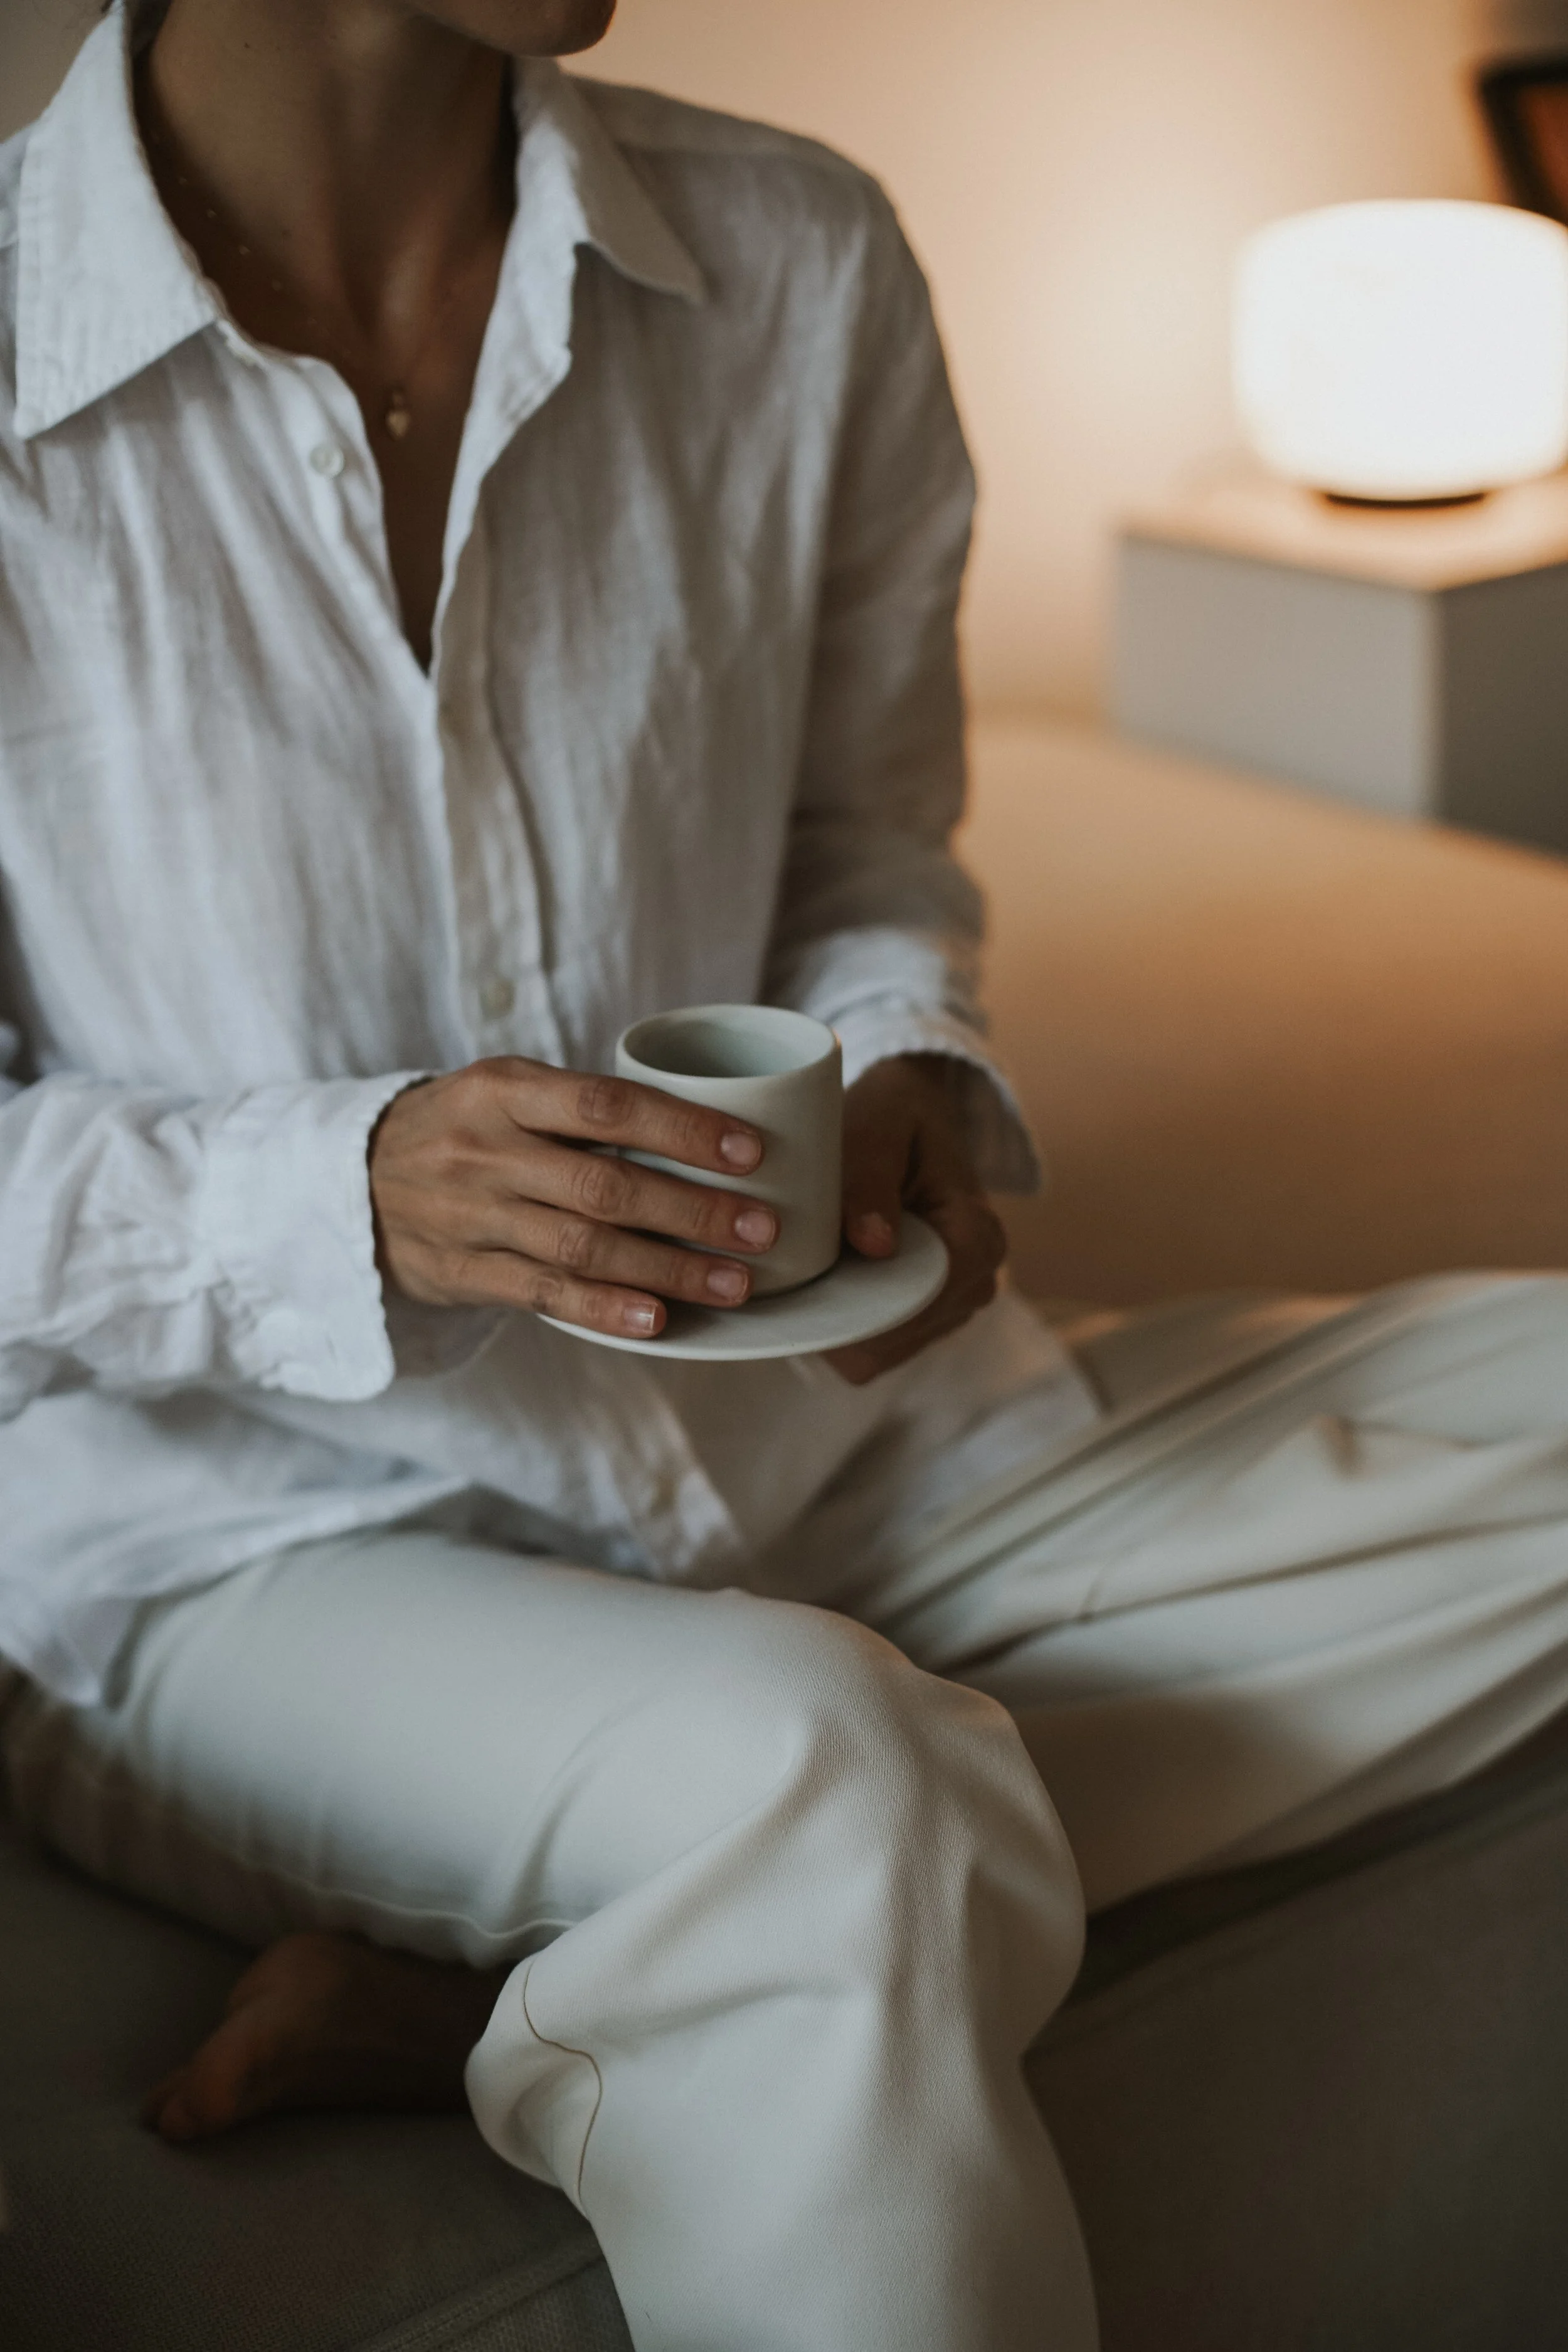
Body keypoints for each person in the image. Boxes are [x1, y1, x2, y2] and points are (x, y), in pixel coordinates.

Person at [3, 3, 1568, 2346]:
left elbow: (865, 842)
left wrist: (903, 1063)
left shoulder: (792, 253)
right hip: (250, 1543)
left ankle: (612, 1980)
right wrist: (341, 1193)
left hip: (822, 1437)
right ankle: (759, 1913)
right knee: (851, 1785)